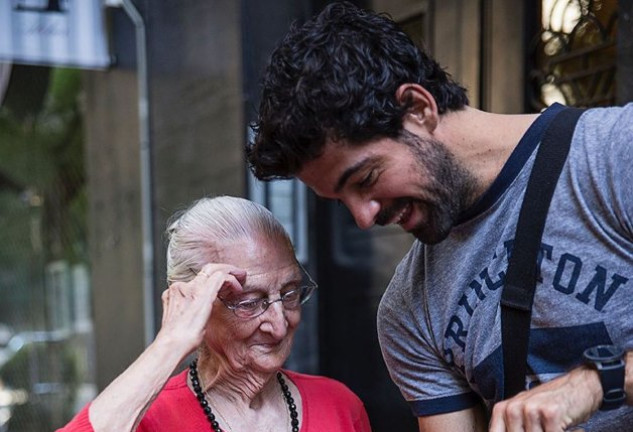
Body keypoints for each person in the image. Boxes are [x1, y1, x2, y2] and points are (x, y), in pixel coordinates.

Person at [246, 2, 633, 431]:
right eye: (341, 200)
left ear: (418, 107)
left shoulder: (613, 155)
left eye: (366, 178)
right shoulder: (406, 312)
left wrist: (595, 382)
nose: (362, 217)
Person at [58, 196, 372, 432]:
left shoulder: (339, 406)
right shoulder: (146, 418)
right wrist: (171, 342)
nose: (279, 325)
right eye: (250, 302)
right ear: (196, 306)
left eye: (289, 294)